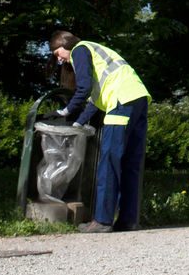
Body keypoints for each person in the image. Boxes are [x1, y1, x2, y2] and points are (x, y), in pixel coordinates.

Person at [49, 30, 151, 233]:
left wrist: (65, 111)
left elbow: (84, 88)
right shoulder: (98, 54)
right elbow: (95, 100)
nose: (59, 59)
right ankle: (128, 221)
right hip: (139, 99)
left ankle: (102, 221)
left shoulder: (80, 49)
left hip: (121, 102)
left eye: (57, 52)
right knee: (131, 163)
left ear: (65, 44)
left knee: (109, 161)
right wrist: (78, 123)